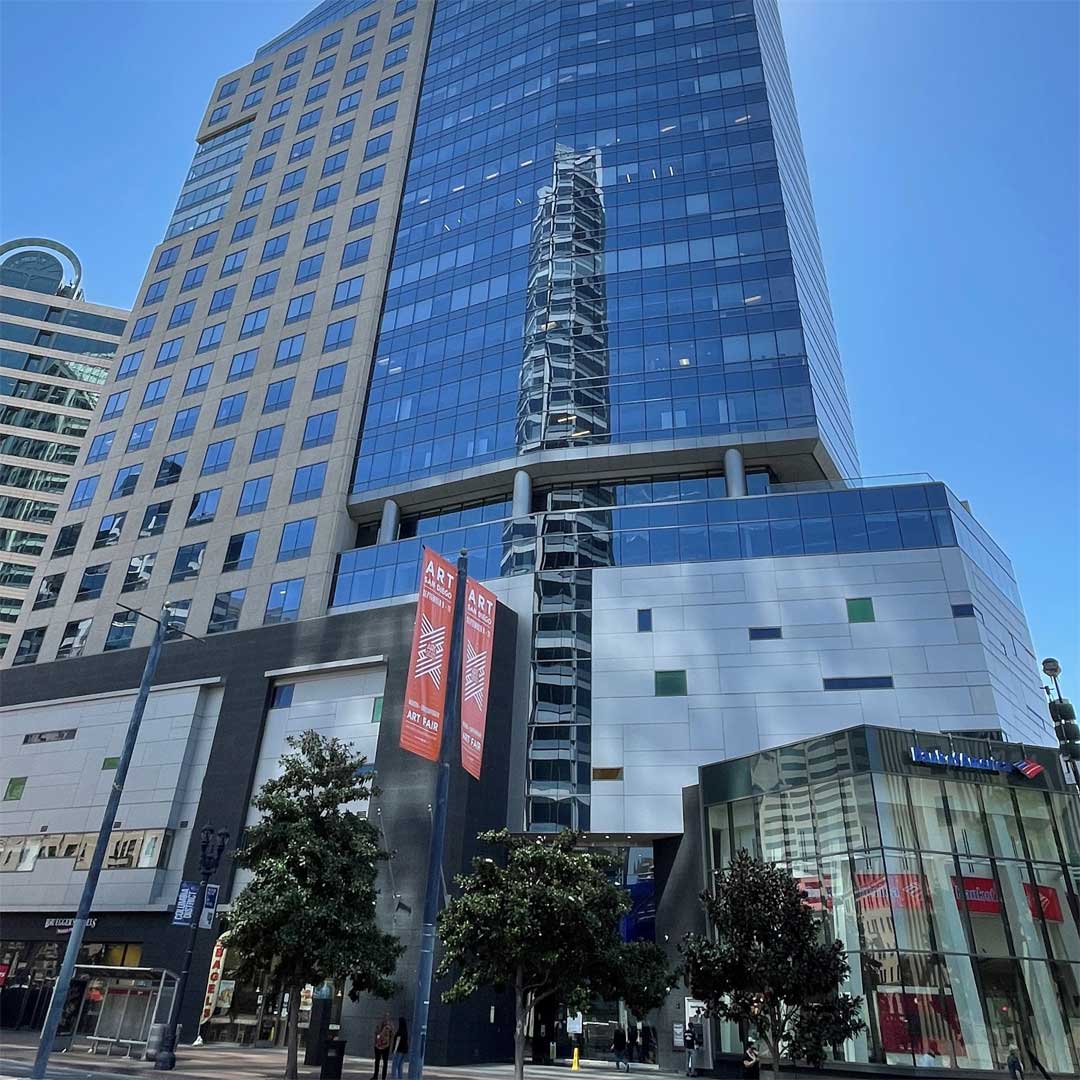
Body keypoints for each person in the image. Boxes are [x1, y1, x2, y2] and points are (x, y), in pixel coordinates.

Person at [371, 1014, 393, 1080]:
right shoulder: (380, 1025)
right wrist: (375, 1043)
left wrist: (390, 1046)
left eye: (387, 1017)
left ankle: (383, 1077)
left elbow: (391, 1036)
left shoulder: (390, 1027)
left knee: (384, 1062)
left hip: (385, 1046)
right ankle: (376, 1076)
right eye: (385, 1017)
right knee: (377, 1061)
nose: (386, 1019)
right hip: (378, 1046)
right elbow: (376, 1034)